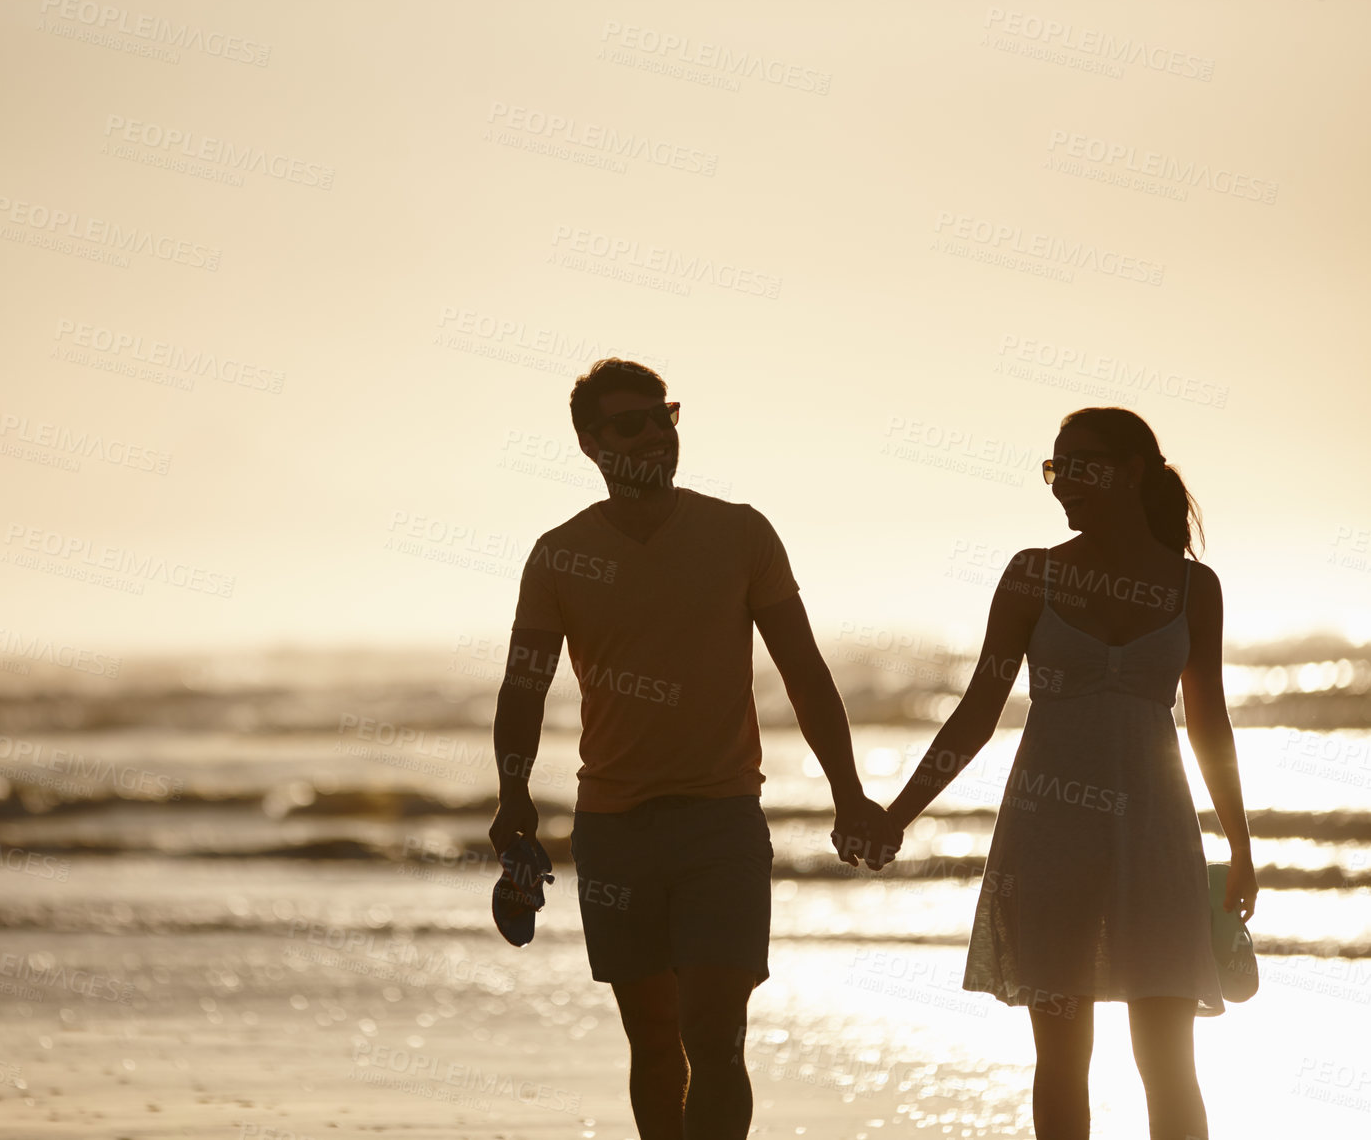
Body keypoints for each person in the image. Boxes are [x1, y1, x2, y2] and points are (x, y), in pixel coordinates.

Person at [488, 357, 900, 1140]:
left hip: (723, 823)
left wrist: (848, 793)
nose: (654, 433)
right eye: (628, 422)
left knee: (715, 1035)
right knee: (653, 1041)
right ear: (588, 443)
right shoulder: (558, 555)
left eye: (663, 414)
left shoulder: (739, 532)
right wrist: (513, 797)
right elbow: (523, 688)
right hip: (613, 826)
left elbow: (805, 674)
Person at [882, 407, 1257, 1140]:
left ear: (1135, 470)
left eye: (1084, 465)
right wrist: (897, 813)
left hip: (1155, 837)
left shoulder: (1194, 588)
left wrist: (1241, 848)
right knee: (1061, 1059)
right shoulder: (1033, 575)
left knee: (1169, 1059)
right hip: (1048, 833)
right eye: (1058, 468)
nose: (1065, 484)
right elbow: (977, 711)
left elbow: (1211, 723)